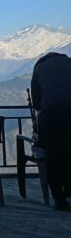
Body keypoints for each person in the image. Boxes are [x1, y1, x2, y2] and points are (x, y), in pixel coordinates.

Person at [31, 52, 71, 210]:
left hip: (51, 117)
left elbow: (37, 102)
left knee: (52, 156)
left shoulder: (40, 68)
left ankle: (58, 198)